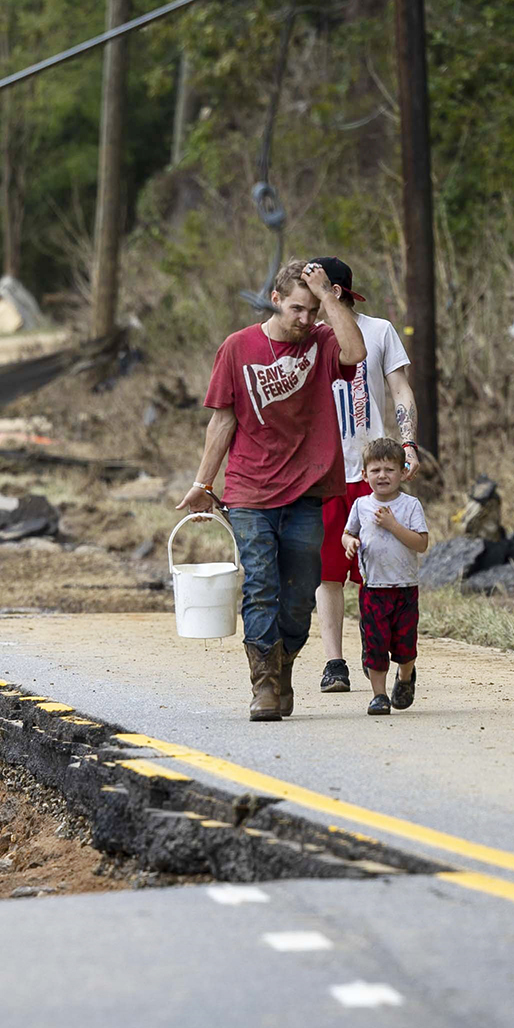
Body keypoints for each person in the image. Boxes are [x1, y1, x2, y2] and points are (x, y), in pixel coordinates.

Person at [180, 260, 368, 720]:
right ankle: (263, 684)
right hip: (250, 490)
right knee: (262, 585)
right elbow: (222, 420)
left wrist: (328, 297)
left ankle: (282, 666)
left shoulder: (323, 342)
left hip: (308, 489)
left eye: (313, 311)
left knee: (301, 591)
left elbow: (356, 352)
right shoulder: (237, 347)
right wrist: (204, 483)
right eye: (298, 309)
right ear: (277, 299)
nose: (305, 320)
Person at [303, 256, 420, 696]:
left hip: (373, 470)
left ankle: (386, 659)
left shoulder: (379, 331)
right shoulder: (308, 337)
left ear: (334, 291)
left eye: (315, 291)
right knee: (328, 572)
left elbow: (400, 388)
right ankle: (335, 663)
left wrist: (408, 442)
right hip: (324, 472)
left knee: (378, 574)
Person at [340, 437, 431, 713]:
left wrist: (393, 525)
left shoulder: (410, 505)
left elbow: (421, 543)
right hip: (373, 588)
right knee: (375, 644)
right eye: (376, 470)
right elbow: (347, 533)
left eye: (390, 470)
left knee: (405, 645)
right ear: (364, 474)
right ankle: (378, 696)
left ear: (403, 472)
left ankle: (405, 677)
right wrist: (350, 544)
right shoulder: (360, 505)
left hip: (405, 587)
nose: (383, 476)